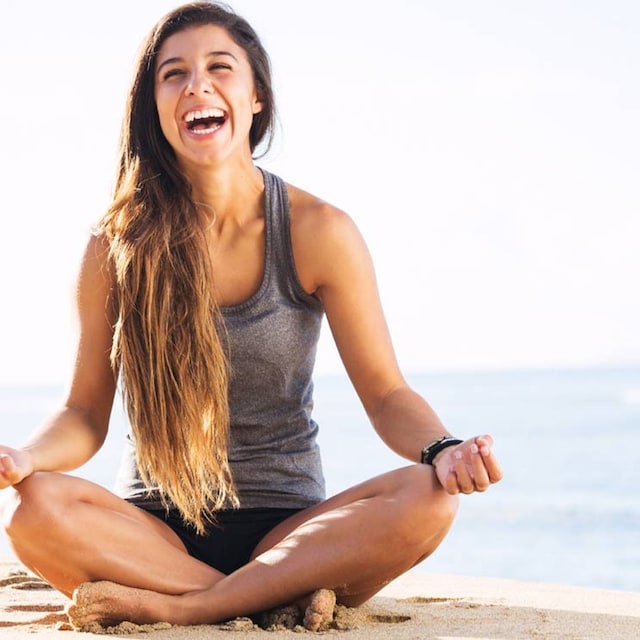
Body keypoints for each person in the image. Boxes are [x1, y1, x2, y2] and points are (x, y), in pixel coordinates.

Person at [0, 1, 502, 630]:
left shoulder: (319, 231)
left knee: (429, 497)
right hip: (152, 538)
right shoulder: (115, 245)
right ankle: (263, 598)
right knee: (33, 507)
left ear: (256, 95)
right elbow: (83, 413)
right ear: (155, 106)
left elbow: (386, 393)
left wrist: (443, 449)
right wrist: (24, 457)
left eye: (219, 67)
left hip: (290, 530)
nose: (197, 85)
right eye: (173, 74)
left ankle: (192, 607)